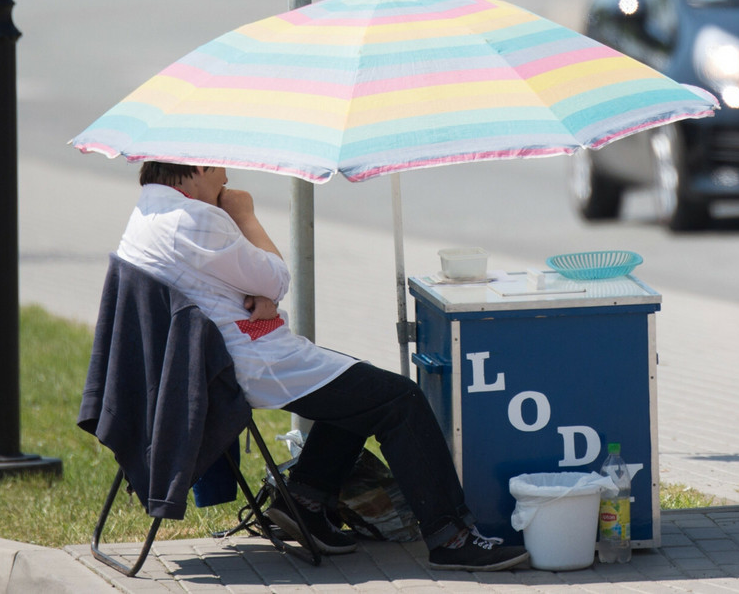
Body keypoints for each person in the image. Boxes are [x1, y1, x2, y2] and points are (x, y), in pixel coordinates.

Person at [114, 161, 528, 572]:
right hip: (243, 361)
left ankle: (306, 503)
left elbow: (222, 283)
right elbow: (276, 277)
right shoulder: (199, 219)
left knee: (356, 384)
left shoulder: (148, 212)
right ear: (200, 166)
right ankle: (450, 537)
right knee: (399, 398)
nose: (226, 180)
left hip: (197, 361)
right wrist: (244, 214)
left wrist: (260, 295)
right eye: (223, 170)